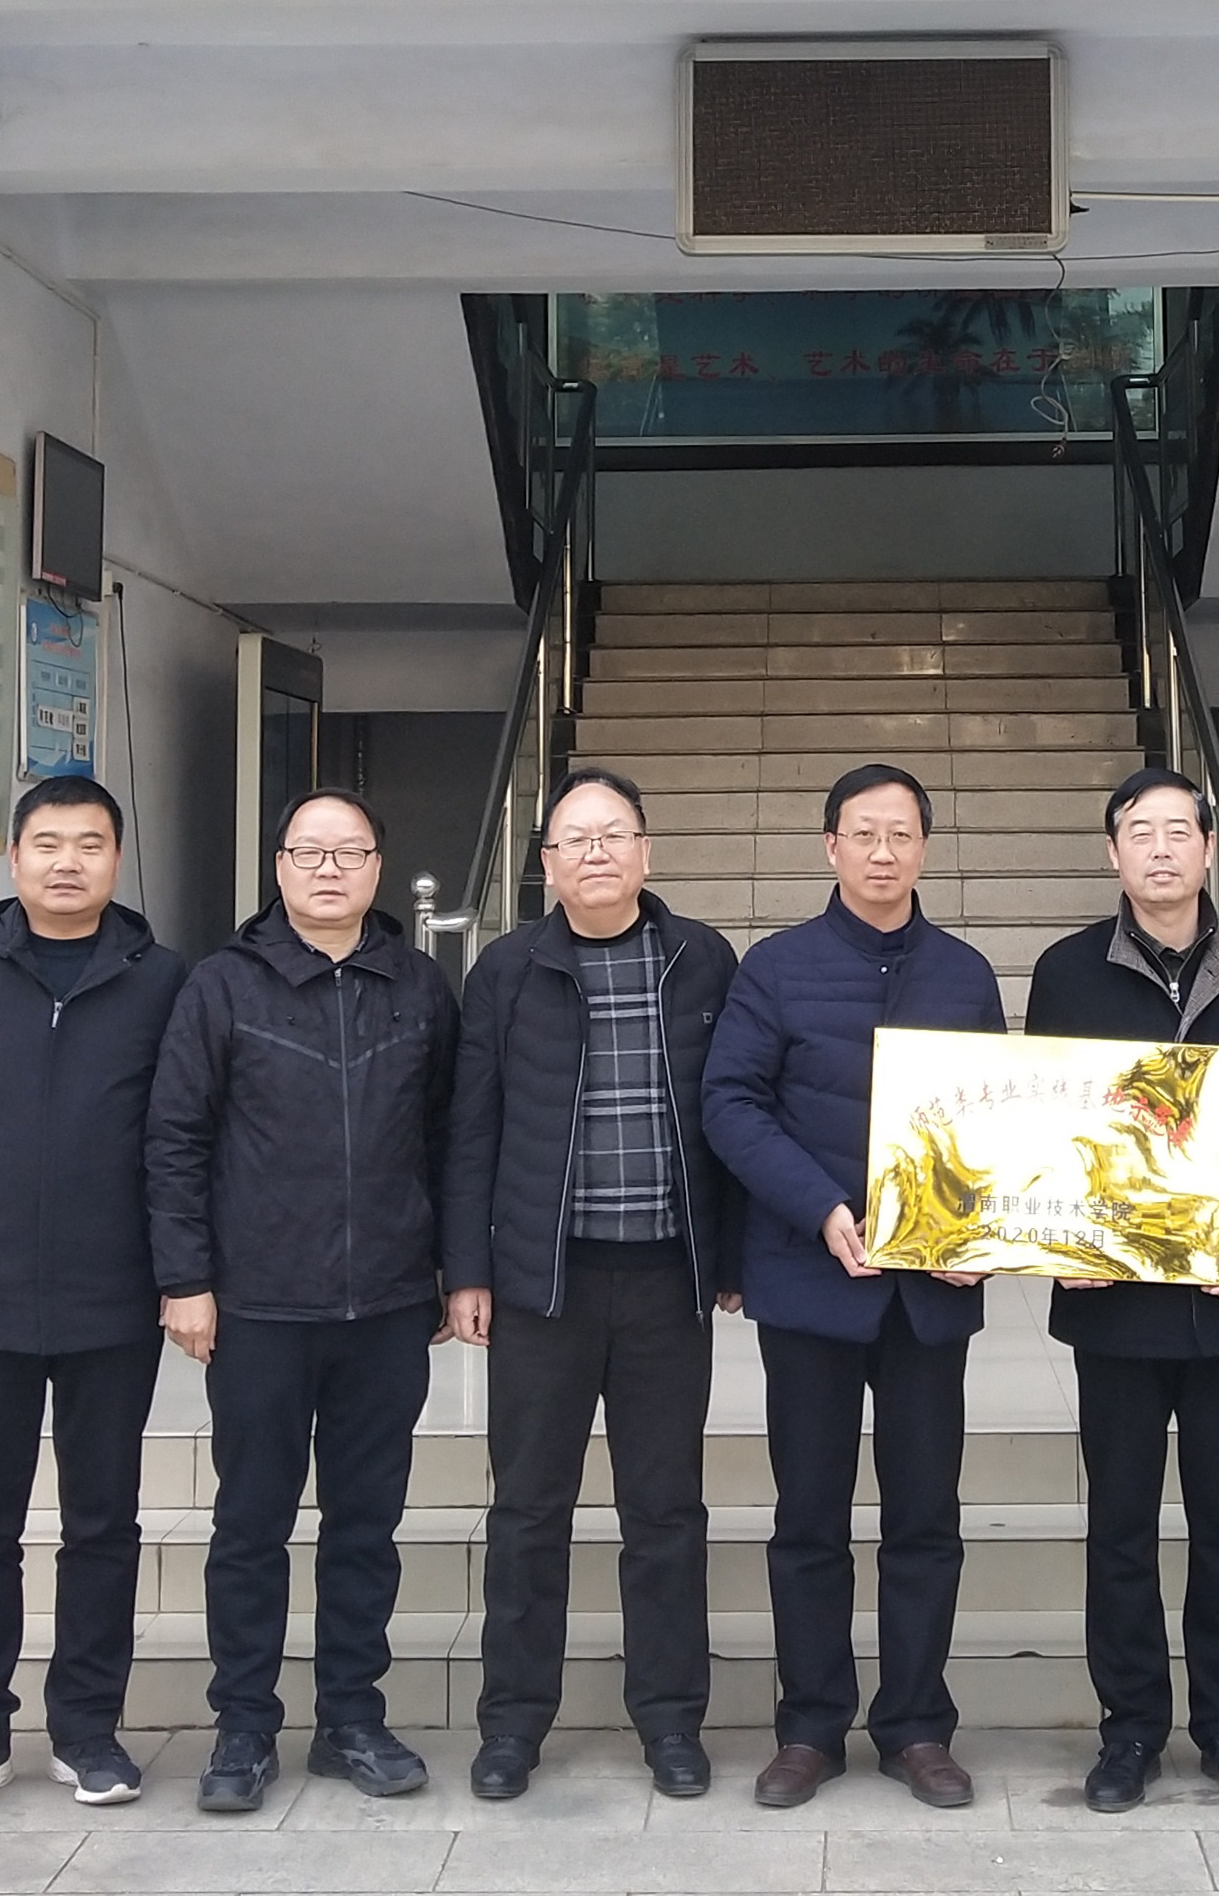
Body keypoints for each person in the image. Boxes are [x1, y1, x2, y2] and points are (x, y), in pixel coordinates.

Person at [0, 776, 190, 1822]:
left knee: (104, 1521)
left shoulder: (161, 982)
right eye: (47, 843)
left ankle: (88, 1729)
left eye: (89, 844)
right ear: (12, 861)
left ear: (115, 860)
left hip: (114, 1296)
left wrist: (186, 1273)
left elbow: (178, 1144)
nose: (67, 861)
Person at [1023, 768, 1219, 1815]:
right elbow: (1044, 1125)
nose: (1158, 849)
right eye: (1137, 833)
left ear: (1209, 848)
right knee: (1117, 1524)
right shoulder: (1065, 972)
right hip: (1108, 1296)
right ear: (1112, 855)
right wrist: (1049, 1233)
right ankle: (1129, 1731)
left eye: (1176, 831)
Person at [701, 761, 1004, 1813]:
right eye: (863, 834)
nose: (883, 853)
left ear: (925, 848)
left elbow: (996, 1125)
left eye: (902, 835)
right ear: (828, 847)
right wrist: (824, 1210)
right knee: (809, 1519)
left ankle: (918, 1726)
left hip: (928, 1294)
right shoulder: (775, 969)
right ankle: (810, 1727)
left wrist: (987, 1231)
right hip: (812, 1284)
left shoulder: (966, 973)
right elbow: (732, 1104)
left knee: (926, 1517)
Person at [148, 786, 458, 1812]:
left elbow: (450, 1143)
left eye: (351, 853)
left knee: (365, 1525)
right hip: (258, 1308)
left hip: (385, 1310)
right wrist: (186, 1280)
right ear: (278, 866)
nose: (330, 870)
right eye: (309, 852)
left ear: (378, 868)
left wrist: (454, 1276)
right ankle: (242, 1727)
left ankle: (351, 1720)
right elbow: (175, 1141)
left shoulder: (418, 987)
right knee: (250, 1525)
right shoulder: (221, 988)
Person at [441, 766, 743, 1802]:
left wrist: (731, 1258)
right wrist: (466, 1268)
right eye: (575, 839)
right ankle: (513, 1725)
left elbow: (737, 1112)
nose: (597, 852)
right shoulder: (506, 970)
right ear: (545, 866)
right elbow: (468, 1127)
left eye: (615, 834)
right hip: (543, 1282)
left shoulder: (702, 959)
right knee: (528, 1509)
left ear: (647, 852)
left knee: (666, 1511)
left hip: (665, 1280)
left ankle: (669, 1721)